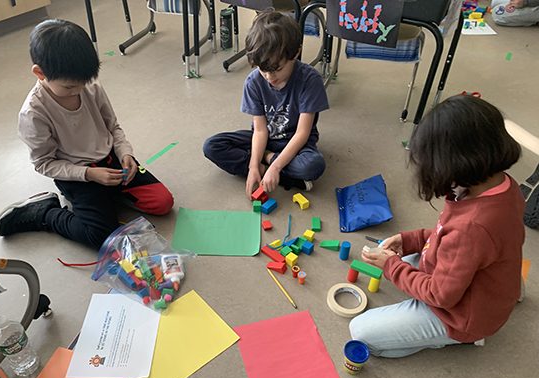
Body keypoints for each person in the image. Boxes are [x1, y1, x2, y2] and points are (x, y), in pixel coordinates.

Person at [349, 95, 525, 358]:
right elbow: (453, 236)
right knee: (405, 257)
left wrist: (391, 267)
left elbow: (441, 295)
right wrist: (411, 239)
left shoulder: (474, 226)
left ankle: (461, 338)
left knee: (361, 332)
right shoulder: (500, 185)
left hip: (463, 315)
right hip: (487, 285)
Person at [0, 20, 174, 250]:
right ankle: (46, 212)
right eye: (69, 87)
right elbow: (44, 164)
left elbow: (113, 127)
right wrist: (90, 174)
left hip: (111, 160)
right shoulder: (34, 113)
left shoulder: (91, 87)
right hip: (77, 174)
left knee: (163, 203)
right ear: (40, 73)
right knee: (102, 237)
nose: (78, 91)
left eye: (83, 83)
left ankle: (109, 195)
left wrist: (125, 153)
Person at [203, 11, 329, 197]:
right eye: (263, 70)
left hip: (296, 143)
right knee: (212, 146)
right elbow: (260, 131)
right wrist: (254, 166)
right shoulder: (253, 82)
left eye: (277, 69)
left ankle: (269, 164)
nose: (270, 77)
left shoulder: (310, 79)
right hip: (265, 138)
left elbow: (303, 133)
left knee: (313, 166)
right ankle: (278, 174)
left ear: (296, 52)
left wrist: (274, 165)